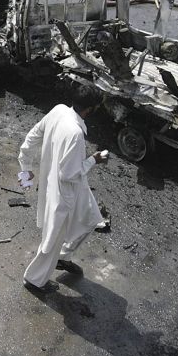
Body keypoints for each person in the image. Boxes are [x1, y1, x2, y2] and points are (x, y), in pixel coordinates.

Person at [18, 84, 109, 294]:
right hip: (64, 193)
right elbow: (68, 175)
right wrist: (93, 160)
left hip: (67, 186)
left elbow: (32, 137)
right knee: (52, 238)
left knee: (92, 220)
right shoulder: (76, 133)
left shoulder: (59, 109)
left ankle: (63, 257)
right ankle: (34, 279)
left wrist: (25, 168)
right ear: (89, 110)